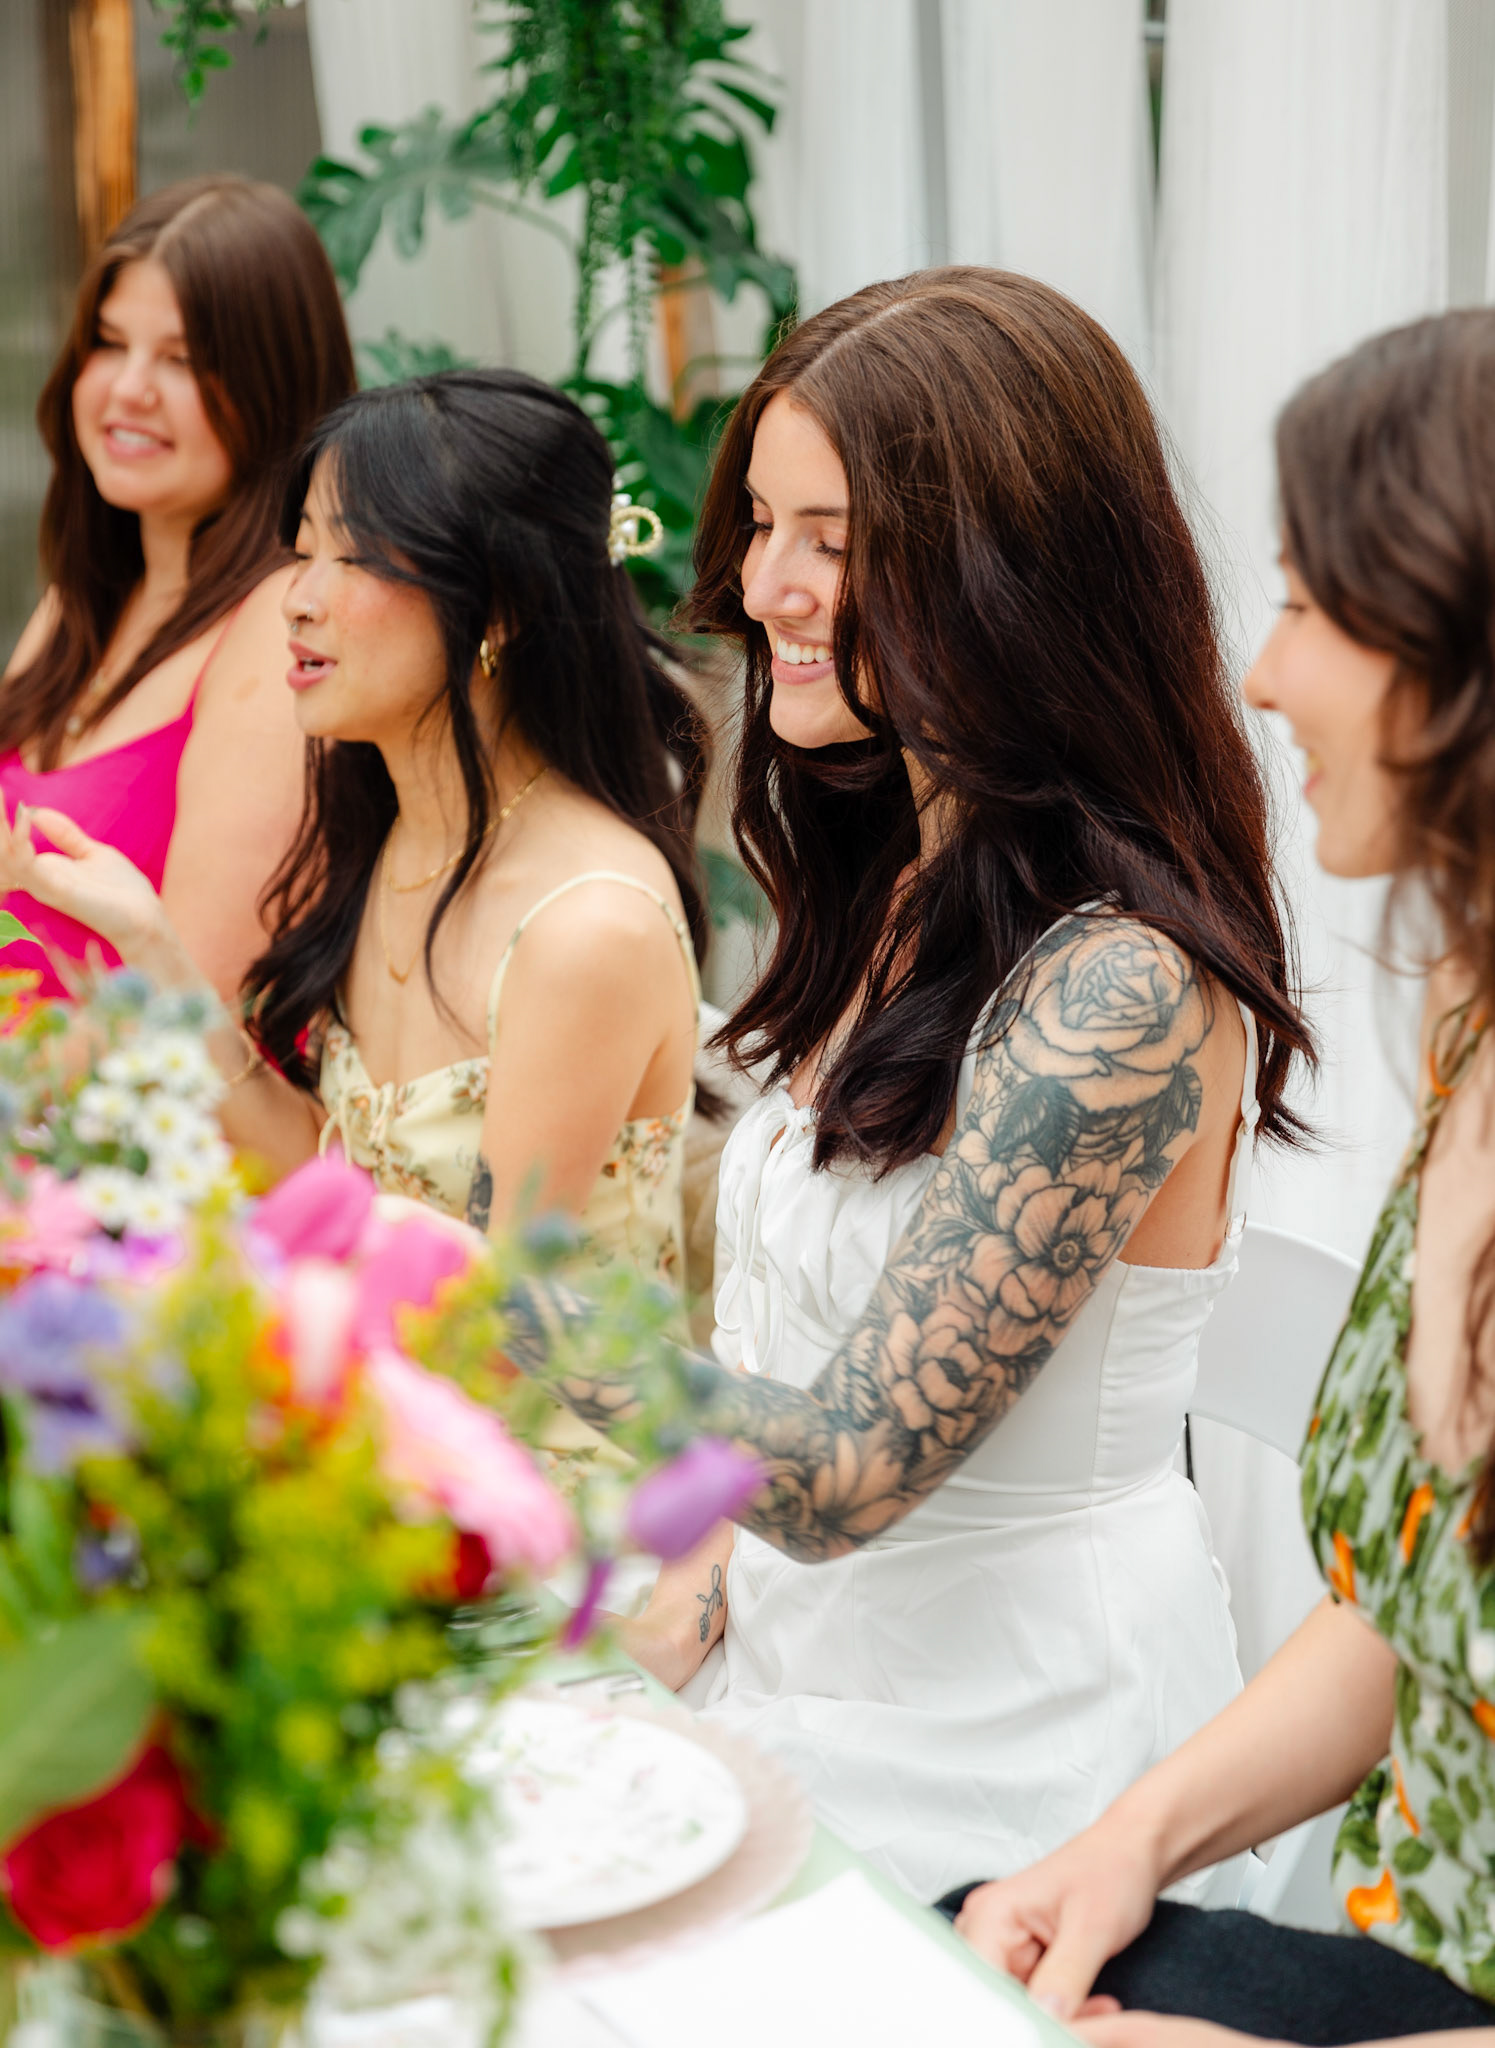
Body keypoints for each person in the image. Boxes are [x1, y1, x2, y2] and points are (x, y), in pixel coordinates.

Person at [495, 266, 1313, 1906]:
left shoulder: (1119, 990)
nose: (762, 586)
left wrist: (525, 1295)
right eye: (760, 525)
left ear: (1001, 573)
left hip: (1021, 1774)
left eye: (832, 540)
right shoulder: (895, 882)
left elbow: (843, 1472)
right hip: (792, 1687)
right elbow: (780, 1351)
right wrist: (691, 1595)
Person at [948, 308, 1495, 2047]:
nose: (1260, 675)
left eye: (1316, 606)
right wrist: (1122, 1845)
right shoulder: (1467, 1041)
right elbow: (1411, 1613)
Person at [0, 369, 707, 1292]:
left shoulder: (585, 928)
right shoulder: (393, 844)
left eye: (354, 557)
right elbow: (321, 1177)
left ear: (499, 606)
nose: (295, 598)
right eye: (302, 550)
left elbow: (500, 1315)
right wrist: (149, 942)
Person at [0, 175, 354, 1000]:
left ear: (275, 386)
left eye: (181, 360)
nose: (128, 389)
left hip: (115, 1083)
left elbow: (197, 1019)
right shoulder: (81, 602)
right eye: (109, 343)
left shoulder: (280, 628)